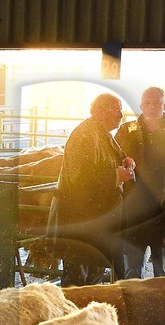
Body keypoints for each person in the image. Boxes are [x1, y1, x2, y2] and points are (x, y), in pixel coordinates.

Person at [53, 93, 135, 286]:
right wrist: (116, 176)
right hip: (81, 220)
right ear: (102, 110)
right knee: (78, 278)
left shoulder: (101, 132)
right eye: (116, 110)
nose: (120, 115)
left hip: (95, 220)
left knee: (92, 274)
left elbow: (105, 161)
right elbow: (79, 177)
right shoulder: (85, 134)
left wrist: (125, 160)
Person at [115, 86, 165, 278]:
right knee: (132, 266)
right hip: (133, 209)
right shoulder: (126, 130)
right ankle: (133, 296)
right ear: (141, 106)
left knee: (162, 265)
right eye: (147, 103)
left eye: (157, 103)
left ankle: (162, 297)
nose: (152, 107)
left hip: (163, 209)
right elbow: (114, 160)